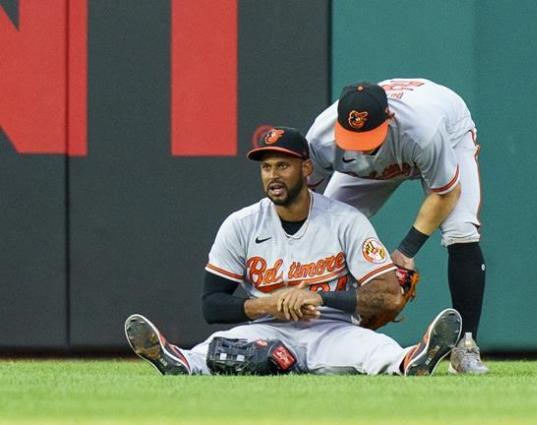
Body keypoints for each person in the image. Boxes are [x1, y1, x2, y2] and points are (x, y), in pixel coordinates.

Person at [124, 126, 462, 376]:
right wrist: (267, 304)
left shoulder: (345, 220)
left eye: (283, 166)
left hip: (332, 329)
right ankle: (178, 361)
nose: (273, 175)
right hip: (268, 329)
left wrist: (319, 298)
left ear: (306, 168)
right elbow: (211, 305)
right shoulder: (241, 224)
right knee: (216, 346)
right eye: (266, 166)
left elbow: (388, 296)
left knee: (377, 350)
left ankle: (413, 361)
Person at [305, 78, 488, 374]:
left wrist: (406, 250)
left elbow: (447, 193)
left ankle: (466, 348)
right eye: (353, 137)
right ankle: (321, 337)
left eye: (368, 138)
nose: (361, 147)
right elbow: (305, 202)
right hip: (392, 151)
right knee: (325, 231)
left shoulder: (423, 131)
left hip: (447, 131)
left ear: (388, 119)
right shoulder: (321, 137)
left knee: (461, 230)